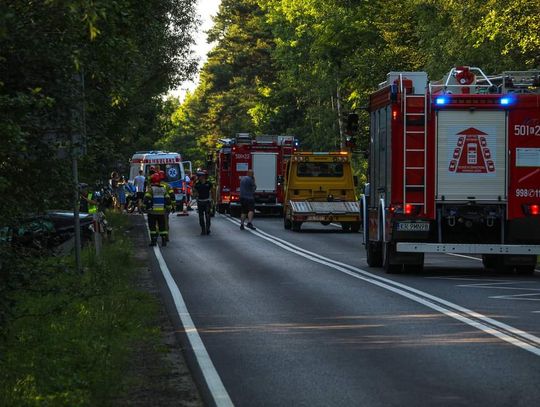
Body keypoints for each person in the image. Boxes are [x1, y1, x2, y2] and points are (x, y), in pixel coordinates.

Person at [144, 173, 172, 247]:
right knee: (162, 227)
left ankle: (153, 241)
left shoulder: (150, 189)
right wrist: (168, 208)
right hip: (162, 212)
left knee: (152, 227)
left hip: (152, 212)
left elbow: (146, 199)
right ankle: (163, 241)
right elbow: (168, 200)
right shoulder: (163, 189)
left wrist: (144, 207)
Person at [193, 170, 212, 235]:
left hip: (207, 201)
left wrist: (213, 200)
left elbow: (213, 191)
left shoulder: (209, 183)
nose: (198, 178)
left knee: (207, 216)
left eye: (200, 176)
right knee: (201, 217)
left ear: (203, 176)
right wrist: (195, 194)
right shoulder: (197, 184)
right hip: (200, 202)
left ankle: (208, 229)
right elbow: (194, 193)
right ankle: (203, 229)